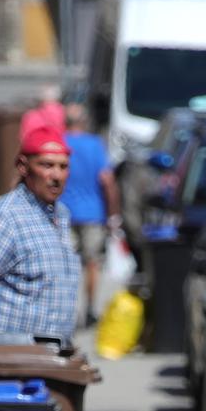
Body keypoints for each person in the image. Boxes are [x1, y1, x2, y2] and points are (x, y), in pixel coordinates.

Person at [0, 126, 81, 340]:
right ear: (23, 166)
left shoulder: (62, 215)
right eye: (47, 165)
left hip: (53, 357)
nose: (57, 175)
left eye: (63, 166)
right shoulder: (4, 216)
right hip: (13, 360)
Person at [59, 103, 121, 327]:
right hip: (93, 214)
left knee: (65, 264)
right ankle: (90, 309)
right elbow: (107, 181)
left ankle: (68, 310)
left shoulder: (60, 143)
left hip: (63, 213)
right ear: (84, 122)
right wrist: (113, 214)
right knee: (92, 264)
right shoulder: (95, 145)